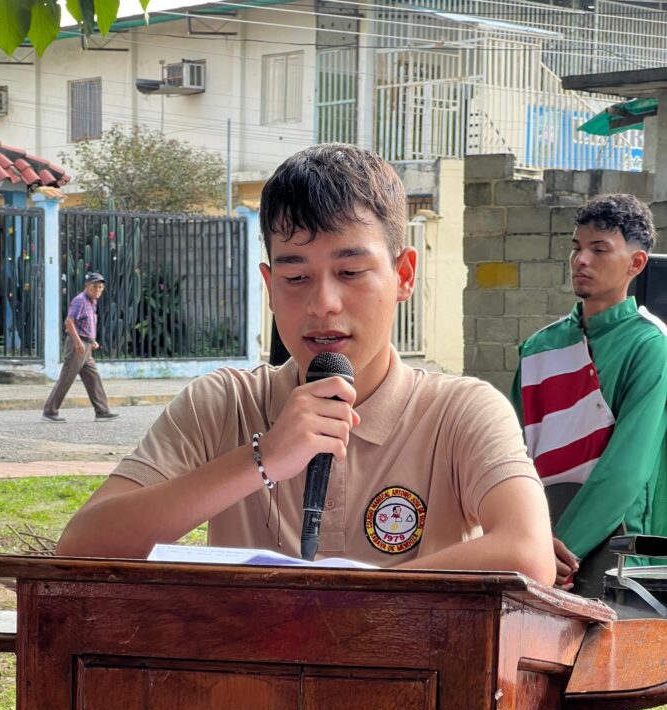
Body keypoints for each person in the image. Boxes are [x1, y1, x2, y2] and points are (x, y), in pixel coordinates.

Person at [56, 144, 554, 590]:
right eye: (295, 276)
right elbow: (81, 545)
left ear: (403, 275)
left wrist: (336, 608)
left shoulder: (460, 412)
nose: (323, 304)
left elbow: (527, 554)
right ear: (270, 286)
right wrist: (263, 458)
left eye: (351, 272)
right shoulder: (224, 403)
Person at [510, 193, 667, 710]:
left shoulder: (650, 346)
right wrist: (523, 534)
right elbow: (509, 449)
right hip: (533, 539)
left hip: (597, 547)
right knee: (527, 707)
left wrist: (559, 545)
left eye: (599, 249)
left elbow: (628, 465)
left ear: (636, 263)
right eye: (576, 246)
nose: (580, 259)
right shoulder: (540, 346)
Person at [42, 271, 119, 422]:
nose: (97, 290)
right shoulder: (80, 300)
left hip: (86, 345)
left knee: (93, 378)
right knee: (66, 378)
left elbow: (84, 323)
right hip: (78, 346)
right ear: (87, 286)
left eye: (100, 287)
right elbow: (69, 322)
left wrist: (92, 340)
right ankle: (50, 412)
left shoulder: (92, 302)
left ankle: (102, 411)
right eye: (94, 286)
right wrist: (78, 342)